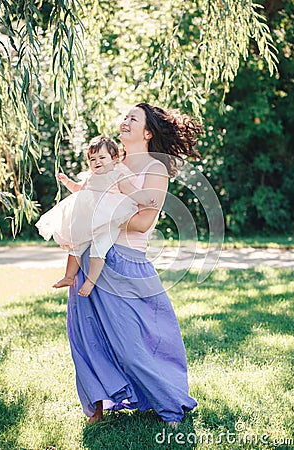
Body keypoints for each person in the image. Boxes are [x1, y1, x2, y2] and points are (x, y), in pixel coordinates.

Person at [67, 103, 203, 426]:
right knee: (86, 336)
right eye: (124, 116)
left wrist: (106, 216)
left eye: (133, 119)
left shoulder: (154, 170)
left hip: (125, 263)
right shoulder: (111, 162)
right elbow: (87, 200)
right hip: (92, 257)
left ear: (147, 132)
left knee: (132, 346)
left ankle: (169, 404)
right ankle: (97, 409)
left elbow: (143, 223)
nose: (125, 121)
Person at [35, 136, 157, 296]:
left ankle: (90, 282)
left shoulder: (117, 174)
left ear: (114, 159)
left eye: (102, 157)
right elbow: (80, 191)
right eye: (93, 159)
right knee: (76, 246)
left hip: (109, 220)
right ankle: (69, 276)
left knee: (98, 250)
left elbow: (131, 191)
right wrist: (67, 182)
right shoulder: (91, 177)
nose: (97, 162)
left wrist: (147, 200)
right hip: (90, 220)